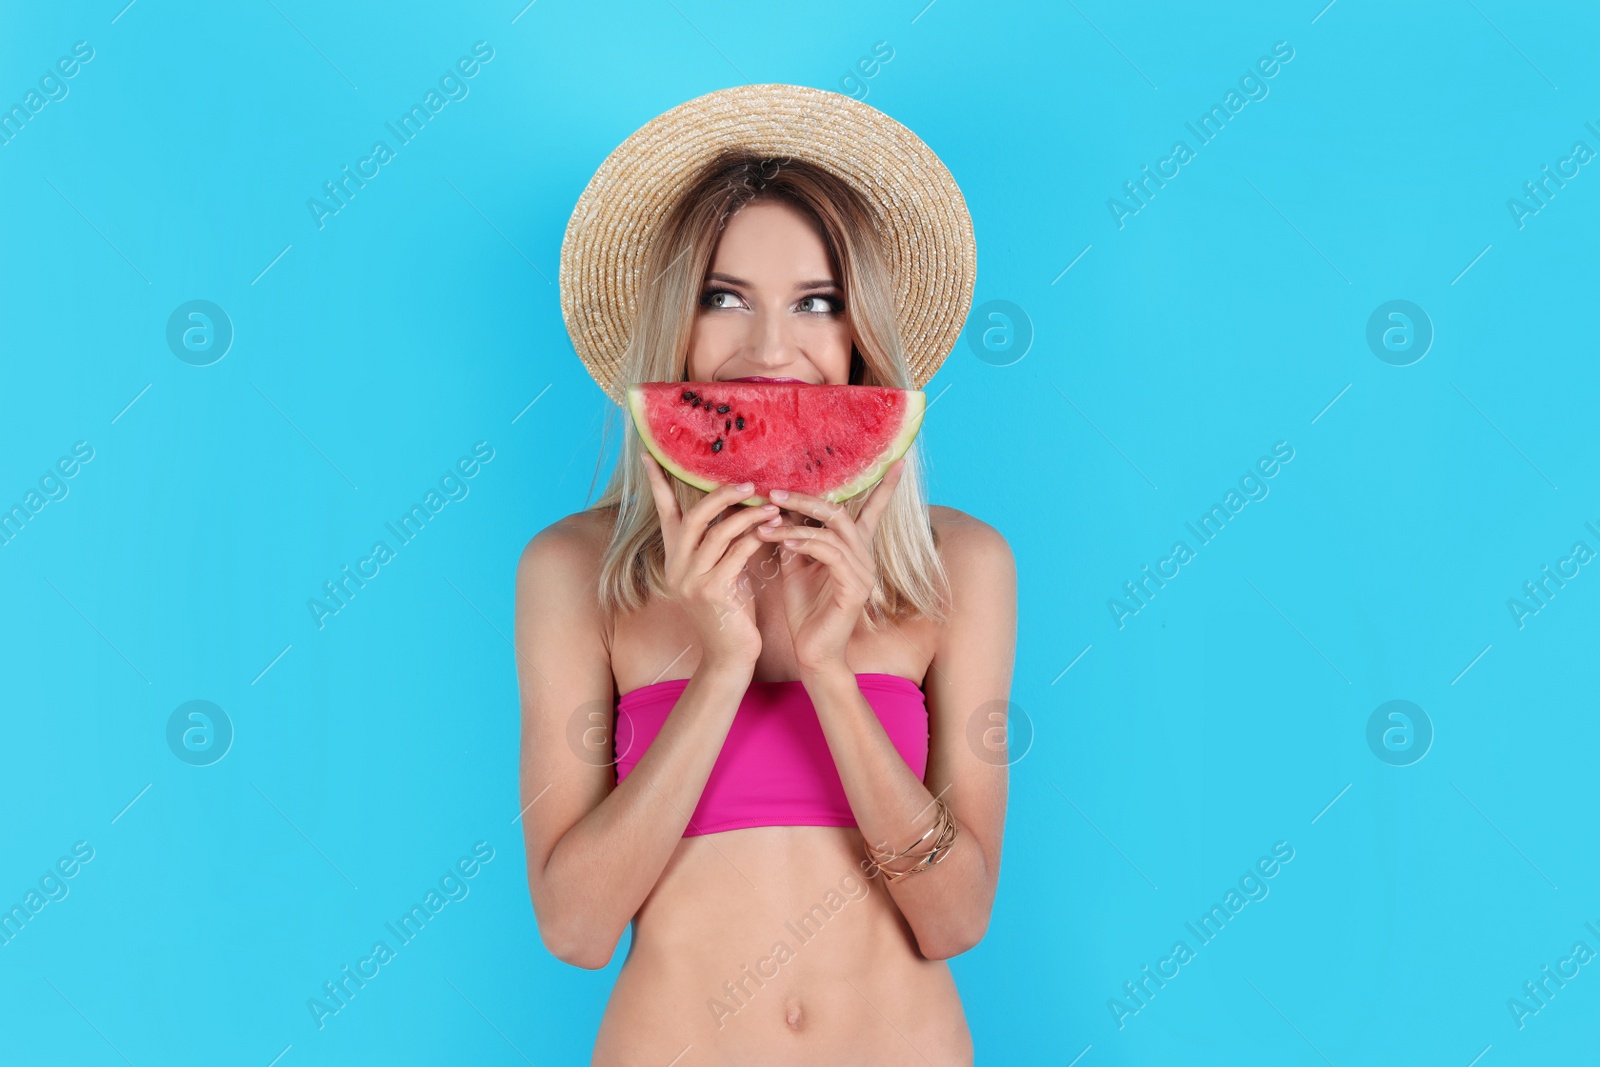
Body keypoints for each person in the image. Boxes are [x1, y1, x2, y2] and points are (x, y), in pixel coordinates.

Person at [513, 84, 1016, 1065]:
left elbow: (955, 919)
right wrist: (719, 668)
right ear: (675, 326)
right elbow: (575, 930)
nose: (770, 348)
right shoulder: (571, 570)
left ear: (859, 334)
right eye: (723, 296)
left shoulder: (962, 565)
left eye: (816, 302)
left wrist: (831, 674)